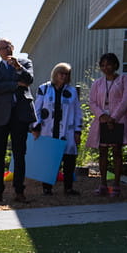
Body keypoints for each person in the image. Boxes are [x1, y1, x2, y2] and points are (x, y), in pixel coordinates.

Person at [0, 38, 36, 203]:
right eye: (1, 48)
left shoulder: (25, 62)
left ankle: (19, 191)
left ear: (13, 48)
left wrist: (18, 68)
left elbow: (29, 81)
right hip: (1, 115)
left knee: (20, 154)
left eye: (7, 47)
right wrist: (17, 84)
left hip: (20, 114)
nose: (5, 50)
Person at [86, 52, 127, 197]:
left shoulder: (124, 79)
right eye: (103, 65)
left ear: (115, 65)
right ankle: (103, 185)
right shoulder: (97, 83)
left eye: (109, 64)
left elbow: (126, 99)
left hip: (118, 120)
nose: (106, 67)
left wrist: (114, 117)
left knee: (117, 152)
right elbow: (92, 102)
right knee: (102, 152)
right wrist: (102, 115)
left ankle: (117, 185)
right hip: (102, 120)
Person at [33, 63, 83, 195]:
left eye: (66, 74)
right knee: (48, 160)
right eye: (61, 73)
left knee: (69, 161)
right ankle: (47, 188)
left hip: (68, 130)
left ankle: (68, 187)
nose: (63, 76)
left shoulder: (71, 91)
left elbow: (77, 112)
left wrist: (78, 131)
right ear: (55, 74)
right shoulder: (44, 89)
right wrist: (36, 126)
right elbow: (37, 109)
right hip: (48, 130)